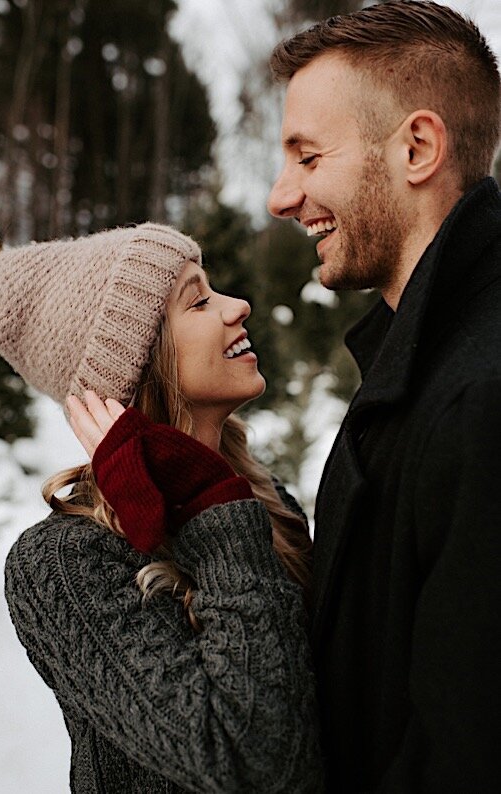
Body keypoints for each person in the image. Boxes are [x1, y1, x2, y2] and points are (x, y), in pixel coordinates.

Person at [0, 223, 322, 793]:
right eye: (199, 300)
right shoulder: (63, 562)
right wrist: (216, 516)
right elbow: (250, 766)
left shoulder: (266, 500)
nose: (238, 306)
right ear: (139, 363)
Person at [266, 1, 501, 789]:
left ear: (416, 147)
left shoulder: (480, 398)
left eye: (307, 156)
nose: (279, 196)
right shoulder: (420, 362)